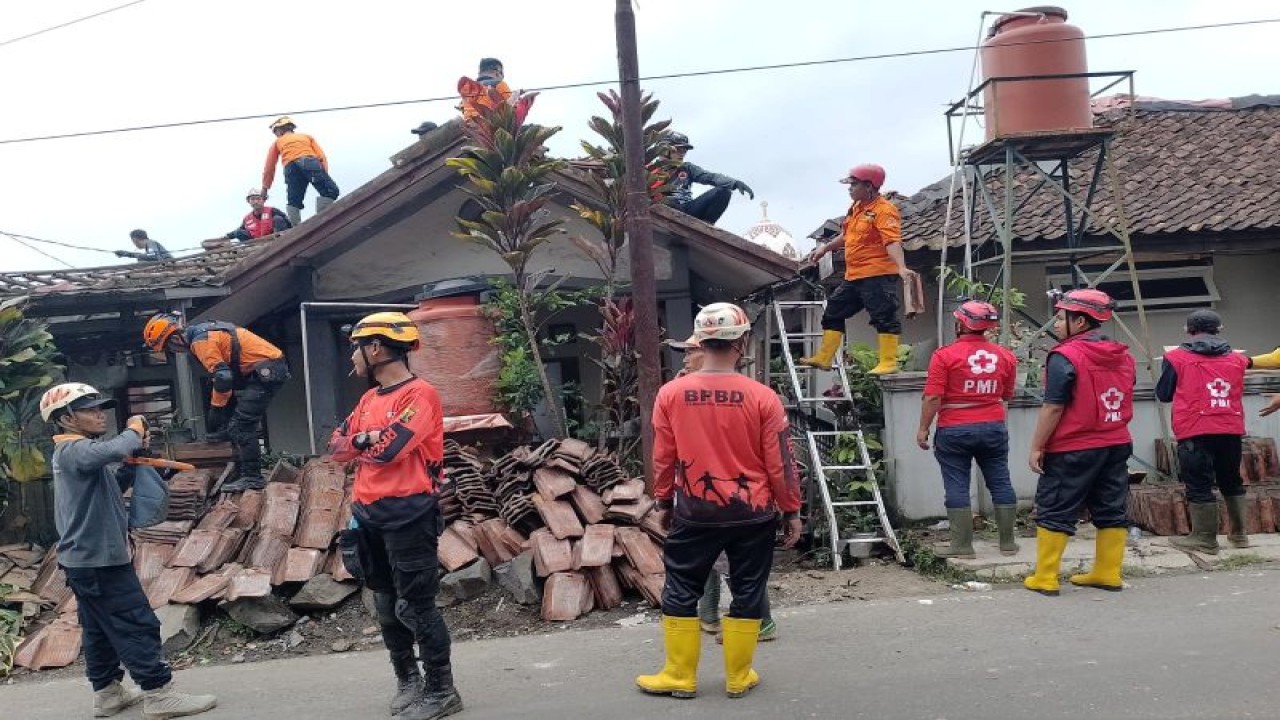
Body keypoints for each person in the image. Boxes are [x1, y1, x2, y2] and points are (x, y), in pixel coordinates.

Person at [638, 302, 802, 701]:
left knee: (681, 587)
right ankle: (738, 676)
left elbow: (663, 455)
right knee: (748, 589)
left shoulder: (671, 394)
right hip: (753, 512)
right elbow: (780, 461)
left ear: (701, 340)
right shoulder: (763, 397)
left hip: (696, 511)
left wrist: (663, 502)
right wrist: (792, 509)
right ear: (742, 341)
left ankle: (679, 676)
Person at [40, 382, 217, 719]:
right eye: (89, 409)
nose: (99, 414)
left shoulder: (81, 456)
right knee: (136, 623)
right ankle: (158, 694)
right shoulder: (72, 450)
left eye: (99, 408)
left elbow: (111, 486)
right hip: (98, 560)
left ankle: (108, 694)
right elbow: (109, 450)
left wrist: (131, 465)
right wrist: (133, 431)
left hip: (86, 560)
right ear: (65, 419)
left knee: (99, 631)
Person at [328, 312, 462, 720]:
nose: (352, 355)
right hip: (368, 513)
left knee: (419, 606)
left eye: (356, 346)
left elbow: (390, 450)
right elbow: (335, 448)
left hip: (409, 513)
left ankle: (442, 690)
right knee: (385, 604)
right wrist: (363, 439)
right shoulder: (369, 400)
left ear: (375, 348)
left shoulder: (420, 395)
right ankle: (408, 679)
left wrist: (361, 442)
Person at [1023, 289, 1136, 596]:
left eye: (1061, 318)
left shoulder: (1065, 356)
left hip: (1073, 446)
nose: (1056, 324)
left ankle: (1045, 577)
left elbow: (1054, 406)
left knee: (1055, 507)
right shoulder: (1122, 355)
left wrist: (1037, 446)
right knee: (1111, 508)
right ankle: (1107, 573)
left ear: (1081, 321)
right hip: (1116, 442)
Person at [916, 300, 1019, 558]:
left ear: (961, 323)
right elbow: (1007, 394)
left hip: (954, 429)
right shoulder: (1006, 355)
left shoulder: (944, 355)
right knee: (1000, 481)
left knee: (957, 484)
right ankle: (1007, 543)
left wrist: (923, 429)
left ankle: (962, 546)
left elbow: (932, 397)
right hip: (993, 427)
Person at [142, 313, 289, 493]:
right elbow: (224, 377)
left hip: (266, 371)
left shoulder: (200, 342)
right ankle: (227, 436)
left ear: (175, 338)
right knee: (230, 414)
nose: (173, 352)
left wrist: (216, 409)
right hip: (260, 369)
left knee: (242, 426)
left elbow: (223, 377)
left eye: (168, 347)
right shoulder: (202, 334)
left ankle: (252, 478)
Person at [800, 164, 915, 375]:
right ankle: (824, 357)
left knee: (884, 316)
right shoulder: (856, 209)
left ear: (869, 186)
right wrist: (825, 248)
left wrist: (901, 267)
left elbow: (892, 241)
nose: (849, 189)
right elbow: (846, 236)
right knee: (833, 310)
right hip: (855, 275)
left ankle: (888, 362)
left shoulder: (884, 210)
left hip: (878, 274)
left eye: (854, 184)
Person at [1156, 309, 1252, 553]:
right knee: (1231, 479)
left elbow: (1164, 394)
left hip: (1194, 429)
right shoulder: (1239, 360)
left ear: (1188, 331)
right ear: (1219, 329)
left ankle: (1205, 538)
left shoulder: (1176, 357)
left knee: (1199, 483)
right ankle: (1240, 535)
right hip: (1230, 428)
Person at [654, 132, 754, 225]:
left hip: (687, 209)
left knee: (724, 192)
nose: (682, 154)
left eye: (684, 151)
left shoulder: (687, 168)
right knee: (667, 202)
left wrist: (735, 183)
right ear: (664, 150)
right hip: (664, 211)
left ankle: (705, 227)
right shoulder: (650, 171)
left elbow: (710, 177)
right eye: (679, 150)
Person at [262, 116, 340, 226]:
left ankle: (296, 229)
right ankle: (321, 221)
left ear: (280, 129)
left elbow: (269, 167)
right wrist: (323, 174)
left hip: (290, 168)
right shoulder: (306, 137)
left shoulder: (277, 143)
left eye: (276, 132)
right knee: (331, 191)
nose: (276, 134)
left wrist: (265, 188)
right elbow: (321, 156)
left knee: (294, 201)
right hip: (309, 163)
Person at [224, 188, 292, 242]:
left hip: (274, 239)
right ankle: (252, 248)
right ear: (249, 201)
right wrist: (225, 237)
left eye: (258, 199)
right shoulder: (247, 218)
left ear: (263, 200)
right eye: (252, 199)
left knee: (278, 219)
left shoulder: (272, 210)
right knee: (238, 232)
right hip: (257, 243)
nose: (256, 202)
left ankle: (281, 241)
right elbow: (238, 231)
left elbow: (288, 222)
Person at [458, 58, 513, 123]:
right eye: (502, 75)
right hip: (492, 129)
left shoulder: (467, 90)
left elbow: (462, 108)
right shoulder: (499, 84)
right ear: (497, 72)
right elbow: (512, 106)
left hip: (470, 128)